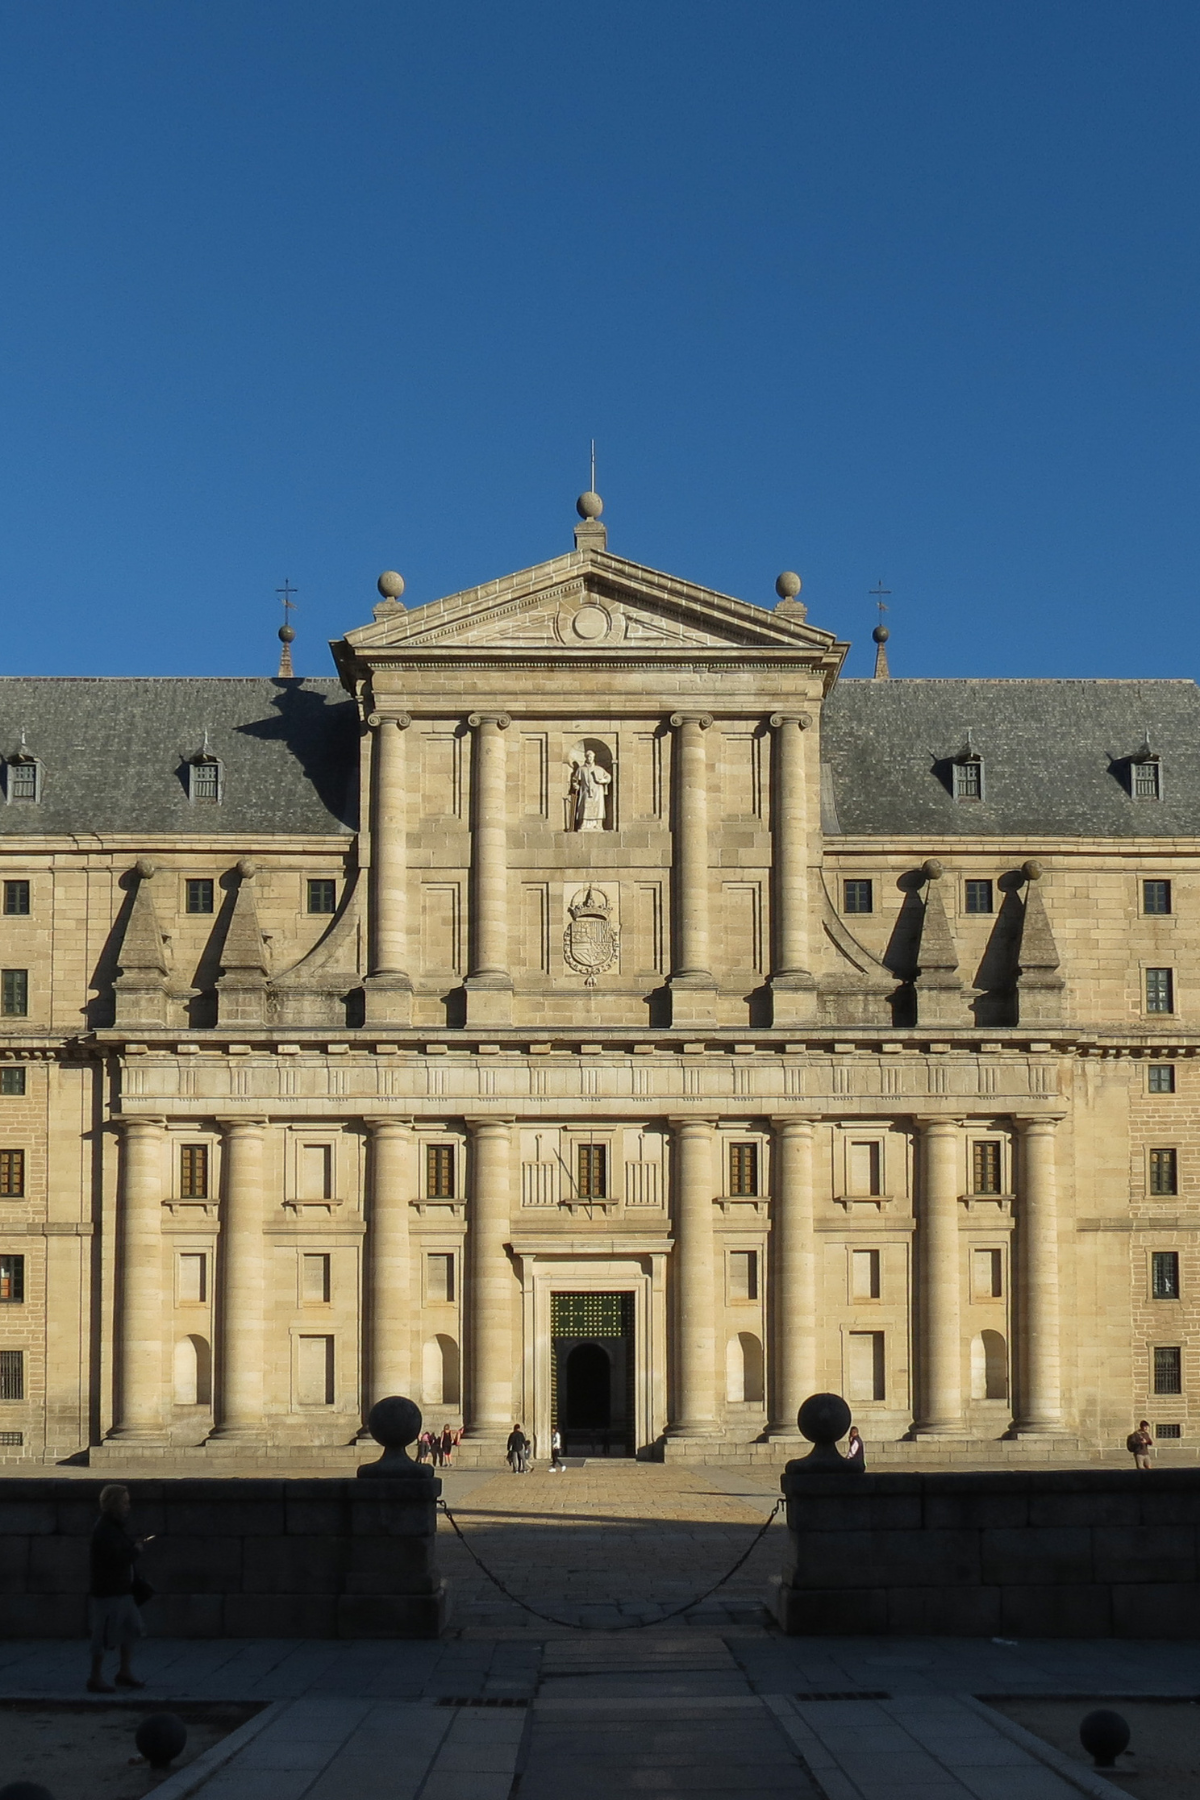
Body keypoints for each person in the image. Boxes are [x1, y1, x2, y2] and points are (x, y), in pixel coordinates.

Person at [87, 1484, 148, 1694]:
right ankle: (95, 1677)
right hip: (108, 1591)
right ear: (113, 1504)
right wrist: (136, 1551)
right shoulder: (104, 1529)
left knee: (132, 1629)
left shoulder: (113, 1527)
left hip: (122, 1590)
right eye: (124, 1502)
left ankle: (124, 1671)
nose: (128, 1506)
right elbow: (116, 1558)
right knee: (102, 1635)